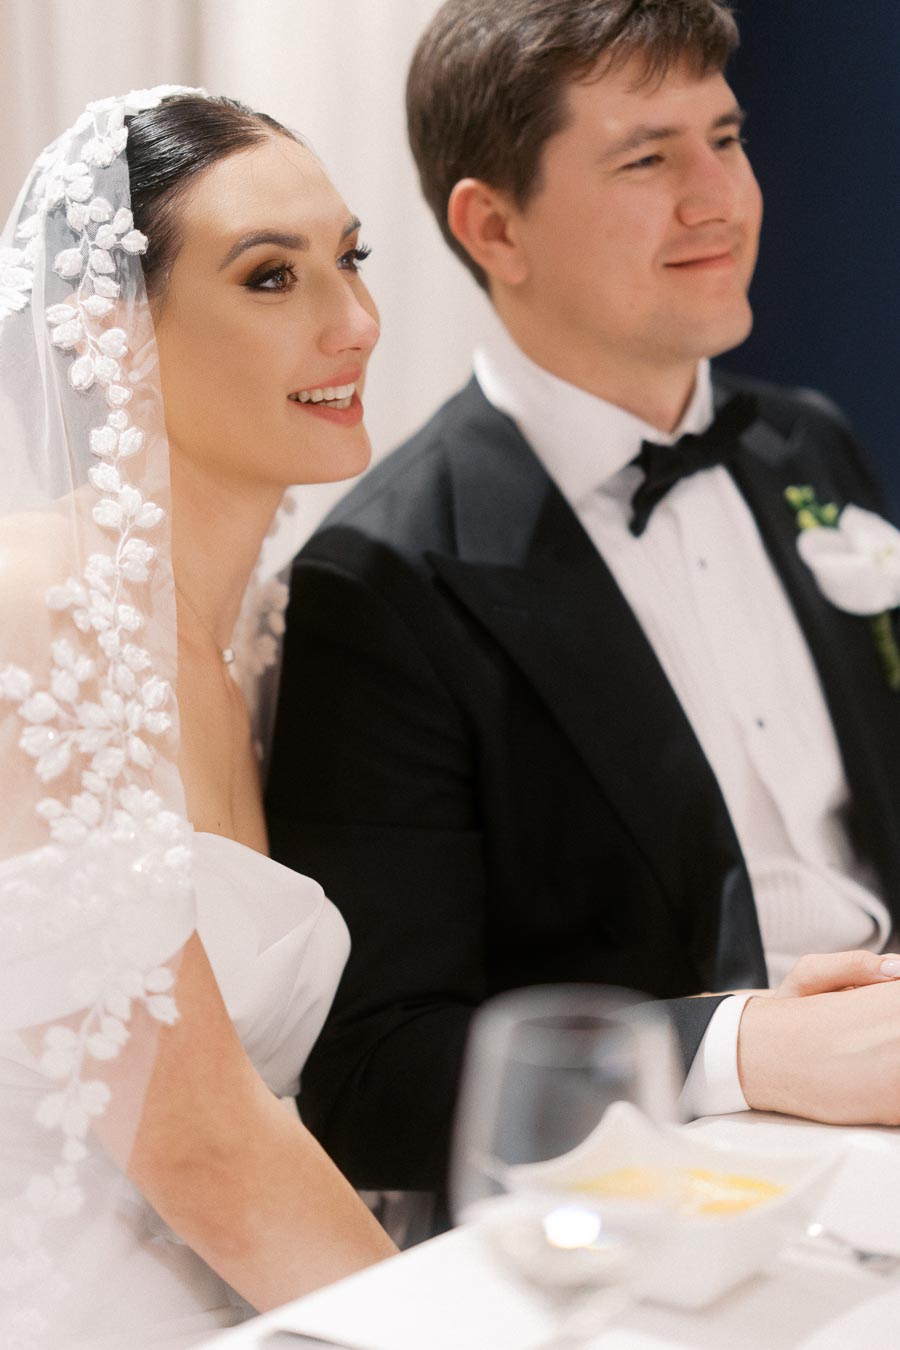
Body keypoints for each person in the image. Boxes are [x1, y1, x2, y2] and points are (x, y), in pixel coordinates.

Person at [265, 0, 900, 1223]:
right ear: (493, 224)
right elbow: (372, 1075)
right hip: (674, 1200)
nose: (718, 197)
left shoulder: (805, 443)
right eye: (648, 157)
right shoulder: (388, 575)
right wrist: (741, 1049)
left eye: (726, 137)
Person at [0, 88, 395, 1347]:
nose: (357, 323)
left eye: (350, 258)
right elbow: (203, 1146)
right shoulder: (35, 620)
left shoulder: (269, 641)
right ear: (108, 335)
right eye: (272, 278)